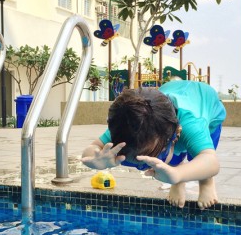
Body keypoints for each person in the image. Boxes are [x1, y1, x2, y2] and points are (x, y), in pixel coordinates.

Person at [81, 80, 226, 209]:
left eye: (151, 156)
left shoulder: (193, 123)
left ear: (176, 135)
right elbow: (90, 151)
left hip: (207, 106)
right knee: (167, 159)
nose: (144, 166)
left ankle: (206, 182)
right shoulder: (128, 125)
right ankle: (175, 174)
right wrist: (95, 161)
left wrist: (177, 174)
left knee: (198, 153)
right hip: (167, 96)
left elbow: (211, 161)